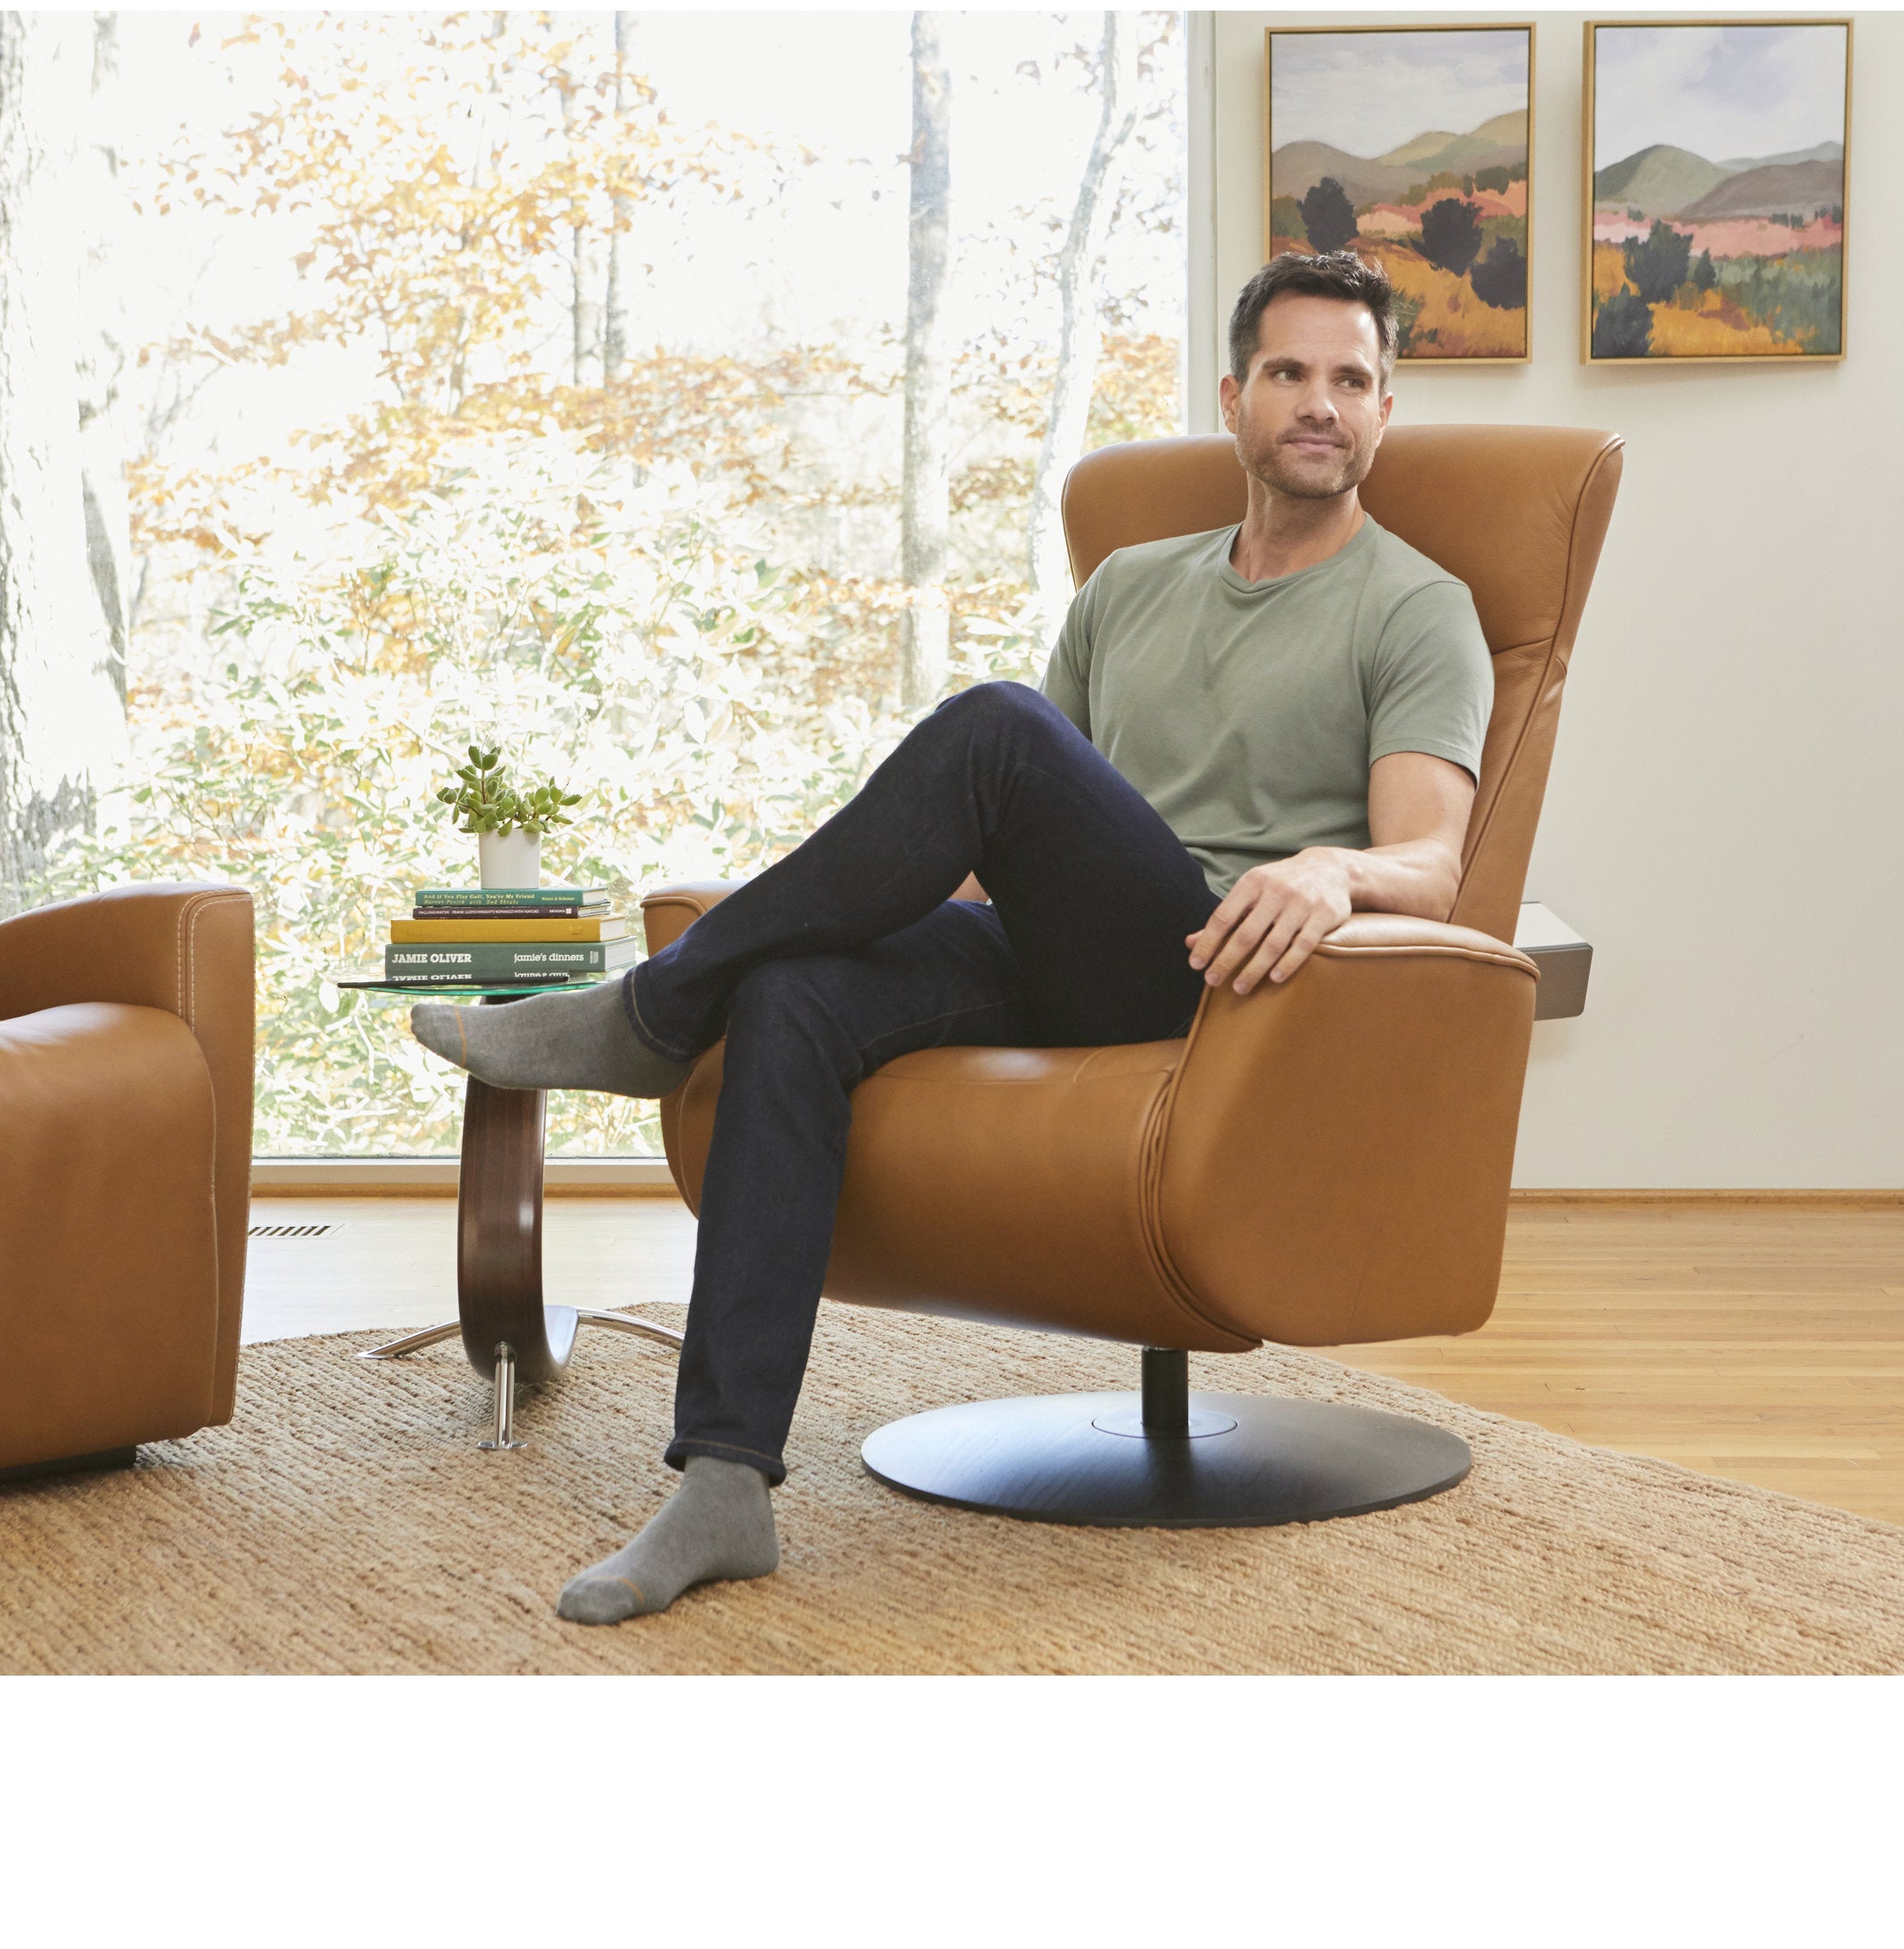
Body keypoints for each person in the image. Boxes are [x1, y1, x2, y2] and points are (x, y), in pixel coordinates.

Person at [410, 249, 1493, 1625]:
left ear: (1386, 412)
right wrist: (888, 951)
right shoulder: (1133, 588)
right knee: (798, 993)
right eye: (1291, 373)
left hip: (1220, 982)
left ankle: (649, 1012)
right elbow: (1022, 835)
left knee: (993, 726)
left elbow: (1434, 865)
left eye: (1353, 380)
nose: (1321, 404)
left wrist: (1335, 870)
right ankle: (727, 1481)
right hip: (1059, 950)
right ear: (1235, 397)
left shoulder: (1417, 607)